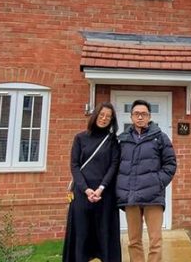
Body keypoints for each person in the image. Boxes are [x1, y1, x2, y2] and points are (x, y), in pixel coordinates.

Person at [116, 100, 177, 262]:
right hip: (131, 197)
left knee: (155, 241)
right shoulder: (123, 140)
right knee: (134, 241)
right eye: (136, 114)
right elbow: (116, 166)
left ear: (149, 116)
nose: (140, 117)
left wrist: (157, 182)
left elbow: (170, 164)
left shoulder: (160, 138)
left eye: (144, 114)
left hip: (153, 198)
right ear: (131, 117)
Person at [63, 102, 122, 262]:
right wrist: (86, 189)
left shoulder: (112, 141)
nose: (104, 119)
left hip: (105, 196)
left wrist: (101, 188)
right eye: (102, 115)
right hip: (82, 195)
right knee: (81, 235)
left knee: (104, 234)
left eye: (108, 117)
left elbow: (114, 165)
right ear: (95, 115)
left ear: (112, 121)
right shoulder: (80, 138)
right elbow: (74, 165)